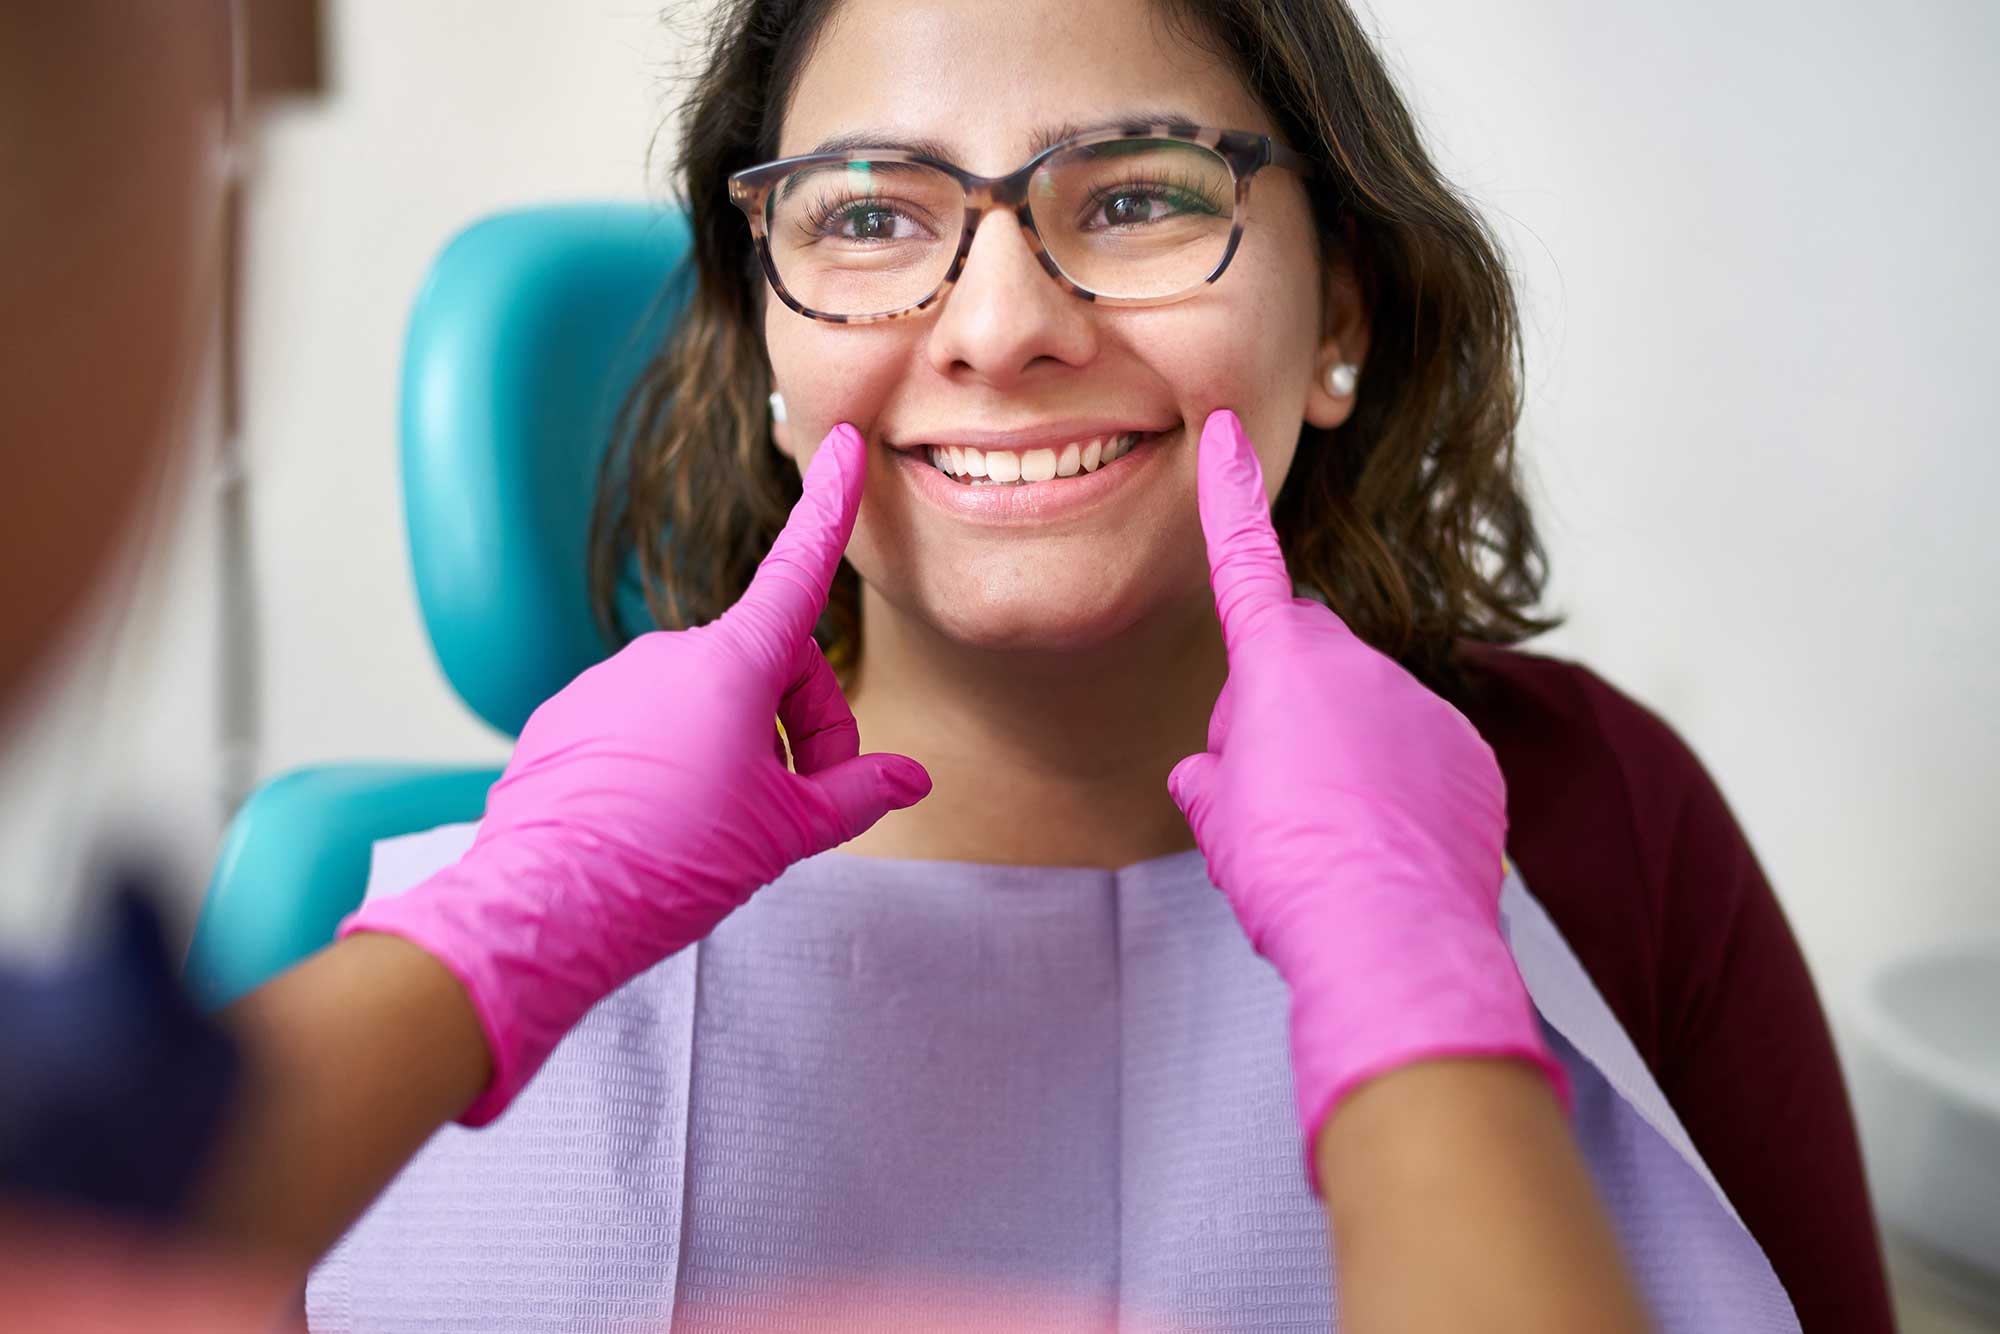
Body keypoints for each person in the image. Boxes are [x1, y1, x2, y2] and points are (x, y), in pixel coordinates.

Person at [0, 4, 1893, 1334]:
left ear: (1341, 321)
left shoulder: (1599, 816)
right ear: (762, 344)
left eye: (1142, 194)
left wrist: (1419, 947)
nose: (999, 326)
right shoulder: (397, 924)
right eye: (872, 217)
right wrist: (507, 927)